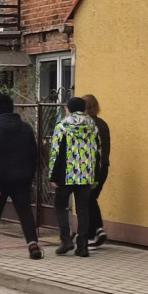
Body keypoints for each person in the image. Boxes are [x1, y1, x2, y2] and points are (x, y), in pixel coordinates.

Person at [0, 95, 43, 258]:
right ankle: (33, 244)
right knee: (25, 212)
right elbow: (34, 154)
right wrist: (30, 175)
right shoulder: (26, 128)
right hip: (22, 179)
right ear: (12, 108)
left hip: (1, 179)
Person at [49, 97, 99, 257]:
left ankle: (66, 240)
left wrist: (52, 175)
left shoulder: (63, 125)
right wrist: (95, 176)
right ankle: (82, 246)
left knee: (60, 205)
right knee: (83, 209)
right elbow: (98, 152)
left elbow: (56, 152)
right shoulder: (92, 125)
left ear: (69, 108)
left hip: (66, 173)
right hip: (85, 174)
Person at [83, 95, 110, 248]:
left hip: (92, 169)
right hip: (103, 168)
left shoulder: (88, 125)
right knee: (91, 198)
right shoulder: (103, 124)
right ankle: (95, 231)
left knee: (87, 199)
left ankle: (96, 231)